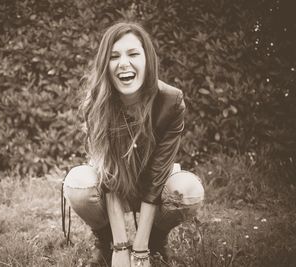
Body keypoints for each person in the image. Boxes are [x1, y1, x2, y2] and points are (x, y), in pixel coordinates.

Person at [63, 21, 205, 267]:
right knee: (78, 183)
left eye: (133, 54)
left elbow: (157, 175)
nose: (124, 63)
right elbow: (108, 176)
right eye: (114, 56)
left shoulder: (171, 102)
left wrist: (139, 250)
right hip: (117, 187)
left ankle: (156, 241)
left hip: (155, 187)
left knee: (188, 189)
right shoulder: (96, 103)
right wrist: (120, 246)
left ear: (147, 59)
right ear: (105, 65)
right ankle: (105, 243)